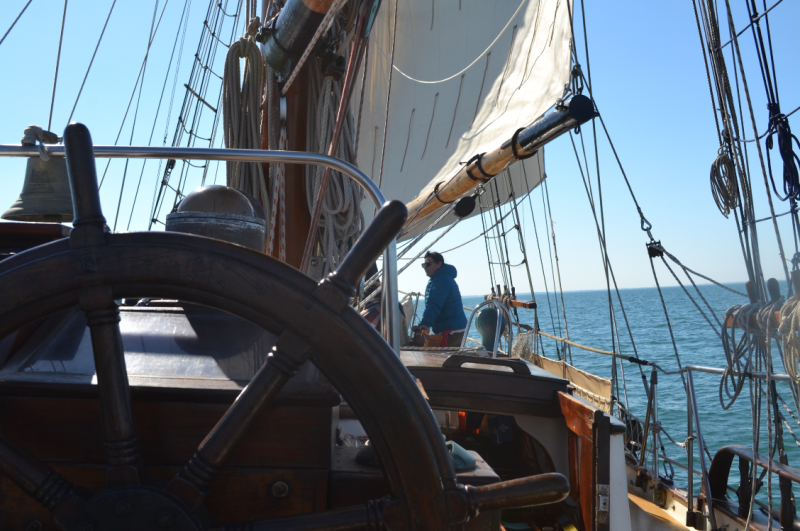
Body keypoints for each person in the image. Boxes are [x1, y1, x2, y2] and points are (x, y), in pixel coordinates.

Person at [414, 251, 467, 347]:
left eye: (428, 264)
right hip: (453, 328)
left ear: (439, 264)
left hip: (451, 331)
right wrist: (423, 323)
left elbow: (435, 304)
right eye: (424, 265)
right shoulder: (439, 279)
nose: (425, 267)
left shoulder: (442, 280)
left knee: (448, 360)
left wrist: (425, 324)